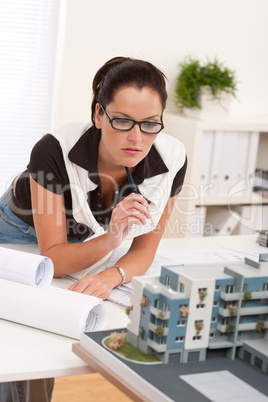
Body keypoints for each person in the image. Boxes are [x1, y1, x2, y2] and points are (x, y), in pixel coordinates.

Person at [0, 56, 187, 401]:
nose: (137, 137)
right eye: (121, 121)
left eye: (150, 123)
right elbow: (53, 257)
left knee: (53, 331)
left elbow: (144, 251)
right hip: (16, 232)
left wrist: (110, 276)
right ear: (98, 115)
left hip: (84, 238)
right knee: (13, 341)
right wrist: (112, 238)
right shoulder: (54, 149)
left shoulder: (172, 159)